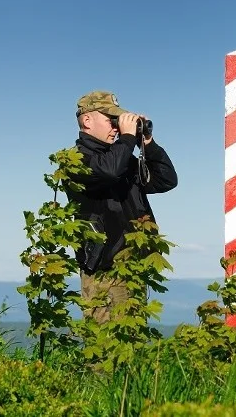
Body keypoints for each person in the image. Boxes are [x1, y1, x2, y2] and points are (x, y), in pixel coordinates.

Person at [70, 90, 177, 323]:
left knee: (132, 341)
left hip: (133, 264)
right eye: (111, 120)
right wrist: (127, 141)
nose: (117, 128)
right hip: (103, 268)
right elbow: (108, 171)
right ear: (87, 120)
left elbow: (166, 180)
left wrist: (147, 144)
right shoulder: (76, 159)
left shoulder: (122, 158)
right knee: (103, 345)